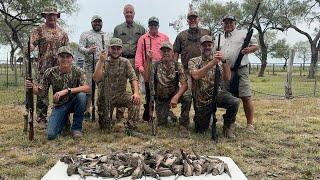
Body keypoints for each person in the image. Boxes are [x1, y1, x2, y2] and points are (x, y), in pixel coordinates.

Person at [25, 46, 89, 140]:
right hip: (59, 105)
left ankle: (76, 128)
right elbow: (41, 91)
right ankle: (64, 121)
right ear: (58, 58)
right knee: (51, 135)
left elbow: (86, 88)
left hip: (74, 103)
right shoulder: (50, 72)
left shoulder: (78, 71)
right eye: (62, 56)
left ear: (72, 59)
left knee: (82, 96)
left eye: (68, 57)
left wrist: (67, 90)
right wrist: (31, 87)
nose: (65, 59)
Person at [189, 35, 237, 137]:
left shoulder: (220, 60)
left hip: (217, 94)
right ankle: (202, 118)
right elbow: (196, 75)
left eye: (209, 45)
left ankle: (228, 127)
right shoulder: (193, 61)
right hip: (201, 99)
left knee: (234, 102)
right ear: (200, 47)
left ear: (213, 46)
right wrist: (212, 63)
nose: (207, 47)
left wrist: (223, 61)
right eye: (204, 45)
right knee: (200, 130)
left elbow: (227, 77)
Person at [93, 38, 142, 137]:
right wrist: (101, 62)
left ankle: (131, 128)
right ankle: (107, 121)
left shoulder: (125, 62)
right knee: (105, 129)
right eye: (113, 48)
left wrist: (136, 93)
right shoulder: (103, 61)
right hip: (105, 98)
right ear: (109, 49)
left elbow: (133, 78)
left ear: (121, 50)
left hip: (120, 95)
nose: (115, 51)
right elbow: (96, 78)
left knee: (135, 100)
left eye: (118, 49)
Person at [30, 6, 69, 128]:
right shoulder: (38, 31)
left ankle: (62, 117)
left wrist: (67, 65)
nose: (52, 17)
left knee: (61, 93)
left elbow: (67, 52)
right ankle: (41, 119)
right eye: (49, 15)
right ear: (45, 16)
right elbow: (31, 45)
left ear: (57, 16)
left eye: (54, 15)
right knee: (42, 93)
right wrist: (29, 46)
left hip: (59, 69)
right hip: (43, 68)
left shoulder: (63, 33)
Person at [220, 15, 259, 131]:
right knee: (230, 97)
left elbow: (255, 46)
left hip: (241, 69)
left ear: (235, 23)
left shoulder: (243, 33)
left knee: (245, 96)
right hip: (226, 70)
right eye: (225, 22)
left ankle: (250, 125)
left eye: (230, 22)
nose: (228, 24)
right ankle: (232, 122)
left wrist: (249, 50)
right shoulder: (220, 37)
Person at [172, 10, 210, 127]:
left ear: (198, 19)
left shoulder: (206, 32)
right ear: (188, 20)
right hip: (187, 71)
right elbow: (176, 53)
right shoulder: (181, 35)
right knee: (188, 96)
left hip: (204, 71)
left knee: (204, 95)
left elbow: (211, 48)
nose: (192, 20)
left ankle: (203, 118)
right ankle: (184, 123)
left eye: (195, 18)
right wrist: (176, 69)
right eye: (190, 18)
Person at [113, 4, 145, 121]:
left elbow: (143, 47)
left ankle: (135, 115)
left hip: (135, 60)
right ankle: (119, 115)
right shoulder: (118, 28)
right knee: (120, 87)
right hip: (121, 60)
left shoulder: (141, 29)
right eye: (127, 12)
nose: (129, 14)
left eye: (131, 12)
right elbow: (113, 46)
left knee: (135, 86)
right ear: (124, 14)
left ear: (134, 14)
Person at [135, 17, 169, 122]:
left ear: (158, 26)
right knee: (149, 92)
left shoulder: (164, 37)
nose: (153, 26)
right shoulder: (143, 38)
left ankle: (162, 113)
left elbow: (169, 52)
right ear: (149, 26)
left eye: (155, 24)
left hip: (161, 69)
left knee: (160, 91)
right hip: (148, 68)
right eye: (151, 25)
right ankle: (148, 114)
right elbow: (139, 54)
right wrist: (140, 67)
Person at [152, 42, 192, 130]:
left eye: (168, 51)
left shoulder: (178, 65)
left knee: (187, 96)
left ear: (172, 53)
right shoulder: (155, 65)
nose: (166, 53)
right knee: (162, 125)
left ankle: (184, 123)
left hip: (174, 95)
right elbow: (147, 79)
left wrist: (176, 96)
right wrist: (148, 60)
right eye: (164, 51)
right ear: (160, 53)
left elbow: (185, 85)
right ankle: (169, 114)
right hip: (161, 97)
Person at [79, 15, 107, 120]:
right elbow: (80, 47)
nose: (97, 24)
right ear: (91, 23)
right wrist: (89, 50)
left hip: (101, 65)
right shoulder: (85, 34)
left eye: (99, 22)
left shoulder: (106, 35)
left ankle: (101, 110)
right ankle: (87, 111)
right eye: (95, 22)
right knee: (89, 90)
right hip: (89, 66)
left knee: (102, 89)